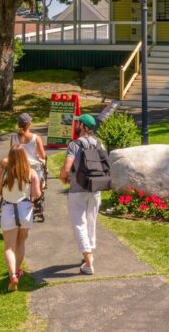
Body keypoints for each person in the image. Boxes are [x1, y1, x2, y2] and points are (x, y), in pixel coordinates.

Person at [59, 114, 104, 275]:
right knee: (91, 221)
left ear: (83, 126)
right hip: (95, 188)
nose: (75, 124)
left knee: (79, 223)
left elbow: (66, 168)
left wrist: (64, 177)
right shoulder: (99, 144)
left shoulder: (74, 144)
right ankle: (89, 253)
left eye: (78, 122)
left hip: (78, 188)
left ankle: (88, 262)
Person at [0, 146, 41, 291]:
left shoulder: (5, 172)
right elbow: (37, 194)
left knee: (9, 247)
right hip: (25, 210)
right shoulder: (31, 173)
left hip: (8, 209)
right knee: (21, 242)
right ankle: (17, 271)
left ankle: (13, 275)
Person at [11, 112, 47, 220]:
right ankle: (36, 198)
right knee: (41, 177)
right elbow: (43, 155)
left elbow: (12, 153)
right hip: (33, 169)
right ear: (29, 124)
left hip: (18, 168)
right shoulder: (35, 138)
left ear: (19, 124)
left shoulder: (13, 138)